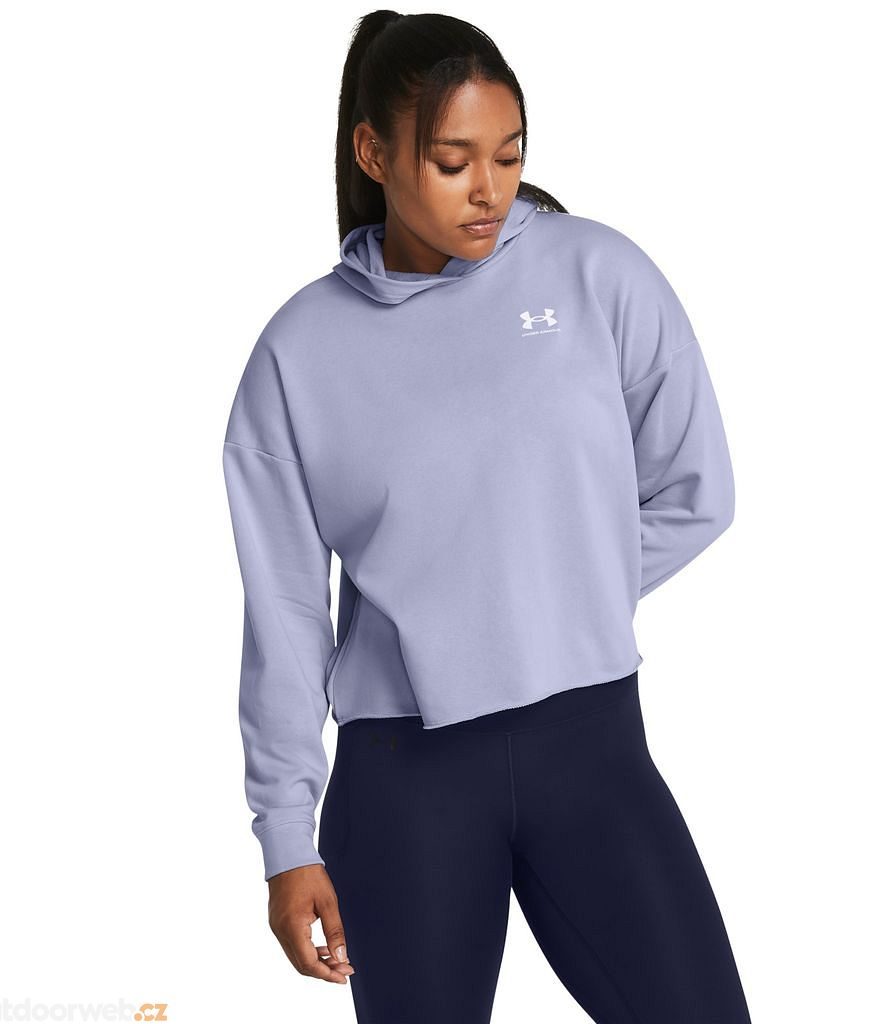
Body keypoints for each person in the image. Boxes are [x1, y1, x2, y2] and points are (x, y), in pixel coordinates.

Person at [222, 10, 753, 1023]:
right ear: (373, 153)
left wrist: (543, 591)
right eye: (452, 160)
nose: (489, 188)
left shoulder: (595, 274)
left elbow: (695, 489)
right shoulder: (298, 353)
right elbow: (285, 612)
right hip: (402, 779)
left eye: (509, 155)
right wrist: (286, 840)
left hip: (591, 748)